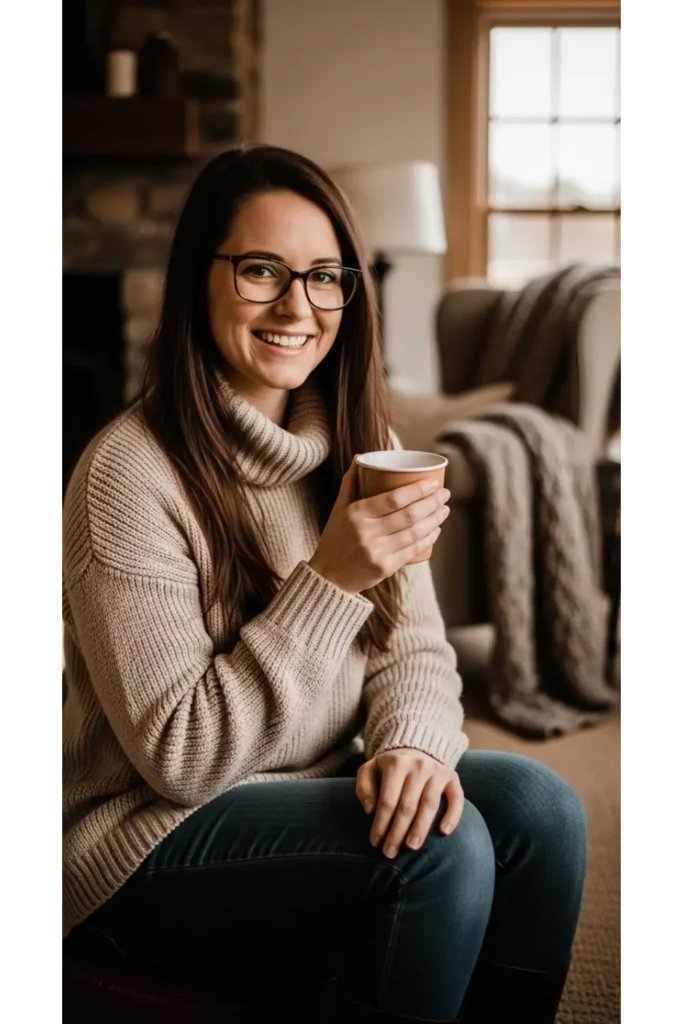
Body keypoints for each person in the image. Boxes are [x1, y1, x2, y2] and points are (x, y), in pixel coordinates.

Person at [59, 144, 588, 1023]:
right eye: (261, 271)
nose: (298, 307)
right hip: (146, 839)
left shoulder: (360, 441)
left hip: (322, 778)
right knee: (436, 852)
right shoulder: (126, 476)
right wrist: (331, 578)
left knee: (541, 808)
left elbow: (412, 643)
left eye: (324, 276)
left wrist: (412, 744)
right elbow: (182, 759)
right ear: (200, 276)